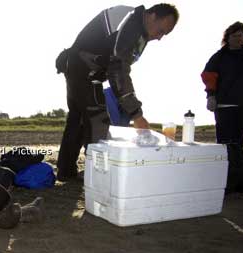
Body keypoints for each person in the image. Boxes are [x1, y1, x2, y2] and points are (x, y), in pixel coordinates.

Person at [55, 3, 179, 181]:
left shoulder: (138, 28)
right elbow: (119, 70)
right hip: (83, 68)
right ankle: (96, 175)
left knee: (79, 118)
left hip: (78, 67)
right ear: (152, 16)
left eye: (164, 34)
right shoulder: (132, 23)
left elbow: (117, 66)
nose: (159, 37)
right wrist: (136, 114)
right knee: (96, 118)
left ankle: (66, 171)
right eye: (160, 30)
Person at [201, 21, 243, 193]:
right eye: (235, 36)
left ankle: (240, 184)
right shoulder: (219, 57)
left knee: (237, 143)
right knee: (225, 144)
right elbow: (208, 76)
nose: (238, 39)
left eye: (241, 35)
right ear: (227, 37)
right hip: (224, 105)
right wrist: (210, 96)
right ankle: (227, 183)